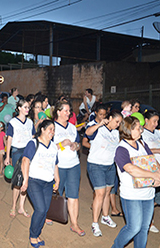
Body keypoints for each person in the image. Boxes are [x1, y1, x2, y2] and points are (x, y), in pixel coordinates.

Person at [111, 116, 160, 248]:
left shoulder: (142, 143)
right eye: (137, 128)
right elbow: (130, 169)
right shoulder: (121, 149)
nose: (141, 130)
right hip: (131, 195)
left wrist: (159, 175)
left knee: (144, 228)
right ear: (128, 130)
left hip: (148, 194)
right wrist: (152, 175)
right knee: (133, 228)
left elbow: (152, 160)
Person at [21, 120, 60, 247]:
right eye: (50, 129)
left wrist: (57, 179)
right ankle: (32, 235)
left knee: (45, 210)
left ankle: (37, 234)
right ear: (42, 129)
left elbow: (55, 164)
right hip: (34, 181)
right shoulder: (33, 143)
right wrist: (25, 180)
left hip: (48, 183)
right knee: (40, 209)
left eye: (53, 129)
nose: (52, 132)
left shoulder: (54, 146)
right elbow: (25, 161)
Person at [85, 110, 123, 237]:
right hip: (96, 165)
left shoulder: (116, 133)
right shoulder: (99, 129)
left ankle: (105, 217)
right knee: (100, 193)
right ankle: (95, 223)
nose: (118, 124)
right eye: (117, 121)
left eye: (120, 123)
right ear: (110, 118)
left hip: (109, 166)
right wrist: (99, 124)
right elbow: (87, 132)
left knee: (107, 192)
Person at [53, 100, 85, 236]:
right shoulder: (52, 127)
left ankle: (74, 224)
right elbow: (45, 148)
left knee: (73, 195)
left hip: (73, 165)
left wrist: (75, 146)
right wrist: (61, 144)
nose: (68, 113)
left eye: (69, 110)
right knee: (55, 192)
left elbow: (78, 144)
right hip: (58, 166)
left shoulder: (72, 127)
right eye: (65, 110)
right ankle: (50, 214)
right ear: (58, 112)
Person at [4, 99, 35, 217]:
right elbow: (9, 139)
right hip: (17, 151)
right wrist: (7, 156)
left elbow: (32, 138)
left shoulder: (30, 122)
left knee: (26, 179)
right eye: (25, 107)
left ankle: (21, 207)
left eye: (28, 107)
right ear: (19, 108)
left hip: (28, 151)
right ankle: (13, 206)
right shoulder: (13, 122)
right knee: (18, 180)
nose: (27, 109)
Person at [142, 110, 160, 233]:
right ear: (146, 120)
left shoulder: (158, 133)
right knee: (152, 195)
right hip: (151, 169)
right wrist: (158, 150)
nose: (156, 124)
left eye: (157, 121)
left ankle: (144, 210)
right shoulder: (142, 133)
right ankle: (149, 222)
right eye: (154, 121)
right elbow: (142, 151)